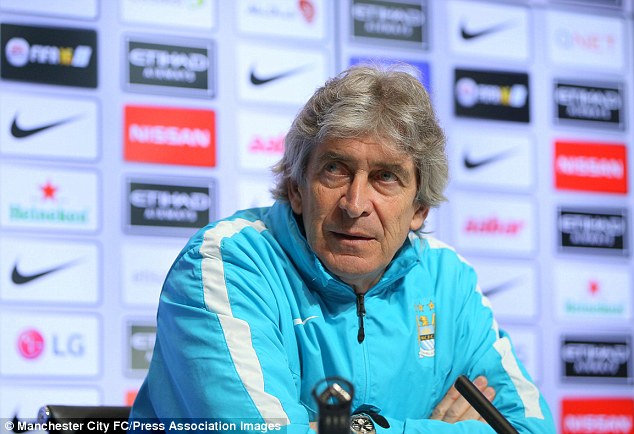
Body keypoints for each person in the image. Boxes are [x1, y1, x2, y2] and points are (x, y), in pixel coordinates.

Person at [129, 64, 555, 434]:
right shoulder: (227, 263)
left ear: (419, 209)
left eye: (386, 177)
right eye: (335, 169)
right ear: (296, 189)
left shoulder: (448, 280)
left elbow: (527, 428)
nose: (354, 204)